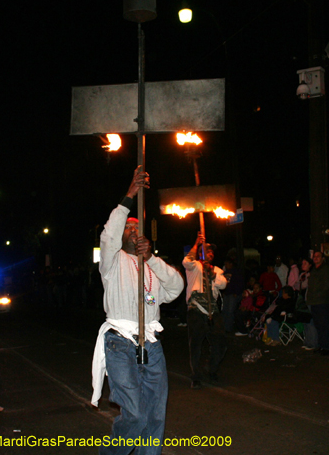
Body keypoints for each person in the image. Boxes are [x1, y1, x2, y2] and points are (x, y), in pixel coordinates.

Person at [90, 166, 184, 455]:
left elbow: (177, 287)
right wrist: (130, 195)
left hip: (151, 344)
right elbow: (108, 235)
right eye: (128, 228)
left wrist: (151, 259)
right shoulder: (112, 261)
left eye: (137, 228)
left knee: (155, 415)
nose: (132, 231)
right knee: (135, 415)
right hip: (120, 341)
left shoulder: (152, 266)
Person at [183, 233, 228, 389]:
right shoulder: (194, 266)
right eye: (207, 250)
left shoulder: (216, 270)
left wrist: (212, 273)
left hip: (212, 311)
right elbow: (186, 261)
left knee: (220, 343)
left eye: (212, 251)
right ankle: (195, 375)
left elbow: (223, 285)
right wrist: (196, 243)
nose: (210, 253)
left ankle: (212, 368)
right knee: (195, 345)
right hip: (196, 309)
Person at [304, 251, 329, 355]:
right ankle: (322, 345)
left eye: (318, 256)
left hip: (321, 301)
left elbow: (327, 285)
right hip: (314, 302)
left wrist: (318, 294)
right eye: (314, 256)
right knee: (318, 325)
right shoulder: (314, 270)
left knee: (324, 325)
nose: (316, 258)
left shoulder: (325, 270)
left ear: (322, 258)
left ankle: (327, 347)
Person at [222, 258, 244, 334]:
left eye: (227, 264)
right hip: (227, 293)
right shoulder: (225, 272)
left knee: (230, 311)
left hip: (233, 294)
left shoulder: (236, 272)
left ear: (231, 264)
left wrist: (237, 292)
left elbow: (240, 283)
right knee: (225, 310)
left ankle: (228, 328)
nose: (226, 265)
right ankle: (223, 326)